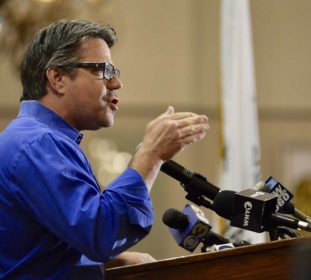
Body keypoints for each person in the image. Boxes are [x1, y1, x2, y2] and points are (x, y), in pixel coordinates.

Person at [0, 19, 209, 279]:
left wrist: (108, 263)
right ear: (57, 78)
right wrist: (150, 156)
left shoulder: (35, 139)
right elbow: (101, 234)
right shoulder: (38, 143)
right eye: (102, 70)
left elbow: (42, 250)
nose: (116, 83)